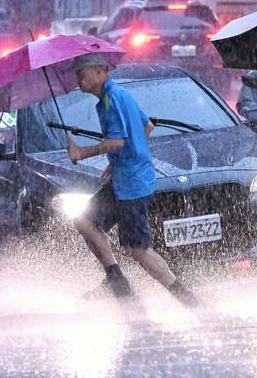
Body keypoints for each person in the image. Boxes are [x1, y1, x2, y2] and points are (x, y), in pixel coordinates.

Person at [66, 53, 198, 306]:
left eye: (80, 72)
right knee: (84, 219)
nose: (78, 78)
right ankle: (116, 280)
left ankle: (183, 295)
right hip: (125, 178)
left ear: (98, 71)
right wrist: (118, 163)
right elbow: (147, 126)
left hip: (133, 186)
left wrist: (82, 152)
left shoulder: (113, 99)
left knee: (137, 249)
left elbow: (117, 141)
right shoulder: (116, 96)